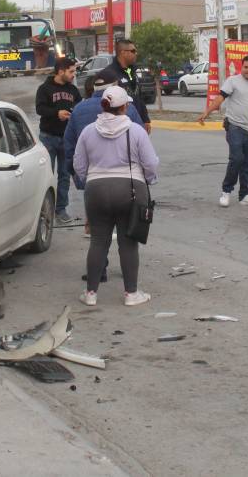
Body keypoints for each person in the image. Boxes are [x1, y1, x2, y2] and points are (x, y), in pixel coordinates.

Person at [73, 86, 159, 307]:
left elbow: (79, 165)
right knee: (128, 243)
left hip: (96, 190)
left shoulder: (88, 131)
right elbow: (150, 163)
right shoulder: (136, 131)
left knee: (98, 241)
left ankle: (90, 293)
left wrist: (91, 180)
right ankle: (131, 293)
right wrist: (149, 179)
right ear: (125, 107)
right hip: (130, 189)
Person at [67, 68, 144, 274]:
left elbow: (70, 147)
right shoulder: (128, 108)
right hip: (126, 183)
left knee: (98, 236)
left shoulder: (79, 110)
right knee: (126, 235)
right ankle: (129, 282)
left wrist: (80, 178)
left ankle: (98, 274)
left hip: (94, 183)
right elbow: (141, 143)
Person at [196, 54, 248, 207]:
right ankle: (226, 191)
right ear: (242, 67)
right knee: (237, 159)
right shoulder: (232, 81)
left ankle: (245, 195)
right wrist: (206, 112)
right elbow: (220, 98)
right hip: (234, 126)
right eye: (245, 67)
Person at [35, 57, 82, 223]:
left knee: (64, 175)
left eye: (74, 71)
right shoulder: (44, 89)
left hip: (67, 138)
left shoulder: (73, 90)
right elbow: (40, 109)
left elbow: (79, 107)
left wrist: (73, 113)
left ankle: (61, 210)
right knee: (45, 176)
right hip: (48, 138)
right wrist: (57, 113)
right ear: (61, 71)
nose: (73, 74)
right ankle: (43, 212)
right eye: (71, 71)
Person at [103, 39, 152, 134]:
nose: (136, 54)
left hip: (137, 122)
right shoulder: (109, 74)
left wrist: (145, 119)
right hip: (120, 126)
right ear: (123, 52)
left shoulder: (132, 71)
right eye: (133, 51)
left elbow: (139, 97)